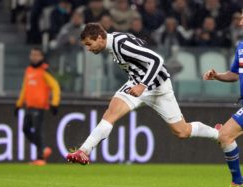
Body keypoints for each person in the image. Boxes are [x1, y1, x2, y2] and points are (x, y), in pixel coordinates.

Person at [66, 23, 218, 166]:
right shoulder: (114, 42)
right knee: (111, 113)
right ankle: (84, 151)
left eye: (88, 44)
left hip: (159, 87)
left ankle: (217, 133)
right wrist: (139, 83)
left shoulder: (121, 45)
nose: (88, 48)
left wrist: (143, 85)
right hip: (135, 83)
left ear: (99, 38)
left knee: (182, 131)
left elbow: (157, 60)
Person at [203, 10, 243, 187]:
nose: (240, 22)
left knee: (225, 135)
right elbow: (235, 74)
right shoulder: (241, 46)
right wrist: (218, 76)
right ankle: (237, 182)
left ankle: (237, 181)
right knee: (225, 136)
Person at [15, 48, 61, 166]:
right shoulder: (29, 70)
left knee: (38, 131)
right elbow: (24, 88)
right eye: (32, 55)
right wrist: (18, 104)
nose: (34, 57)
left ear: (41, 57)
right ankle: (43, 148)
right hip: (29, 106)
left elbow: (55, 86)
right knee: (25, 129)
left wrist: (54, 103)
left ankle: (41, 158)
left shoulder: (45, 70)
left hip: (39, 107)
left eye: (37, 55)